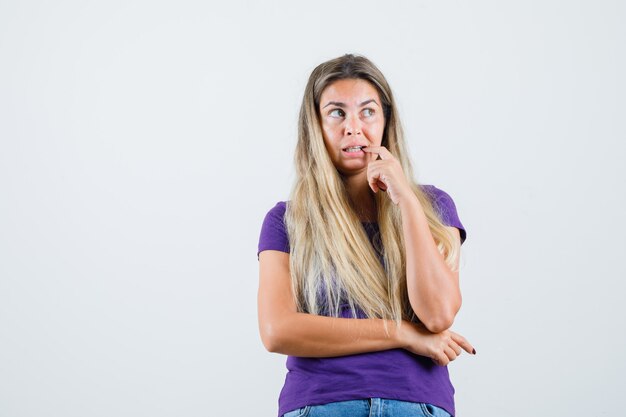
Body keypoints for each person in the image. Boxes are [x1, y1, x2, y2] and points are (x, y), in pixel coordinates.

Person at [257, 53, 475, 417]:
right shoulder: (288, 220)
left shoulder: (433, 206)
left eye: (368, 111)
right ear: (316, 125)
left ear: (387, 120)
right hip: (321, 404)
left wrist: (405, 197)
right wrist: (405, 334)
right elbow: (277, 331)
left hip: (417, 403)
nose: (353, 127)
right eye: (337, 112)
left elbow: (438, 315)